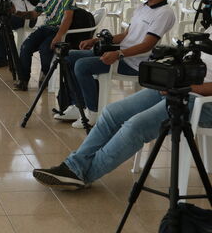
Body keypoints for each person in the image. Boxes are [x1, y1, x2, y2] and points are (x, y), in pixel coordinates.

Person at [33, 41, 212, 190]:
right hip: (181, 87)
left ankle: (81, 175)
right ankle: (74, 167)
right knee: (112, 113)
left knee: (136, 127)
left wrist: (187, 89)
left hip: (203, 101)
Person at [57, 0, 176, 127]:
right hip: (121, 53)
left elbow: (147, 45)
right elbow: (126, 34)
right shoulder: (142, 8)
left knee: (82, 66)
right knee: (68, 56)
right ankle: (78, 104)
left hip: (134, 62)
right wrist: (95, 40)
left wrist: (119, 53)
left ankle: (93, 112)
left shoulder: (164, 13)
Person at [13, 0, 75, 91]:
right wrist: (18, 13)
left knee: (45, 49)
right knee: (25, 47)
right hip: (45, 28)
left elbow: (67, 18)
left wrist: (58, 36)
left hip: (56, 30)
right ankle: (24, 80)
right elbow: (35, 13)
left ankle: (45, 75)